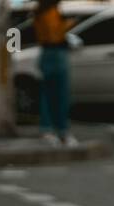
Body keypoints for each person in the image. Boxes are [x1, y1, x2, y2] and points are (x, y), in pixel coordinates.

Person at [33, 0, 77, 147]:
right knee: (60, 94)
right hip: (56, 51)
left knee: (47, 93)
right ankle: (59, 129)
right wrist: (68, 24)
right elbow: (54, 34)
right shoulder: (51, 12)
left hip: (46, 52)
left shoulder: (40, 11)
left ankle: (49, 128)